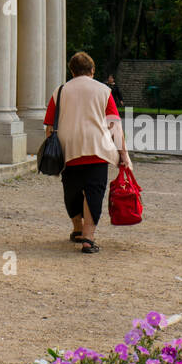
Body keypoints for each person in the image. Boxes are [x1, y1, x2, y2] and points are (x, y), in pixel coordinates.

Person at [44, 51, 132, 255]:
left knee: (71, 191)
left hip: (69, 149)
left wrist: (51, 147)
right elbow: (114, 125)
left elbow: (49, 126)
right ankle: (88, 240)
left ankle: (77, 228)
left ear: (72, 70)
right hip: (97, 149)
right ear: (92, 70)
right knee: (94, 192)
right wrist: (123, 154)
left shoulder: (60, 91)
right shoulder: (103, 90)